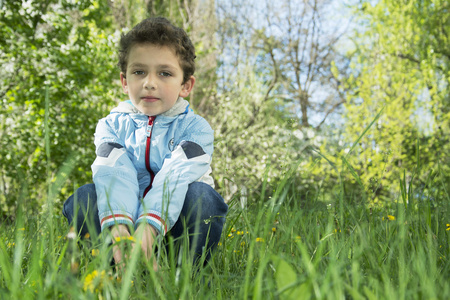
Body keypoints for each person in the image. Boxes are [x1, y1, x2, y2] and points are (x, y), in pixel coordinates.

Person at [62, 17, 228, 271]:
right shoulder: (110, 126)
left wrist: (149, 230)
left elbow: (176, 176)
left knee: (202, 197)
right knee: (84, 196)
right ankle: (116, 266)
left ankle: (184, 274)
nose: (150, 82)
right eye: (139, 72)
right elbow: (114, 175)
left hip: (172, 230)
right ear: (125, 81)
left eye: (165, 73)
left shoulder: (196, 129)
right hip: (124, 226)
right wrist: (121, 232)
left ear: (186, 85)